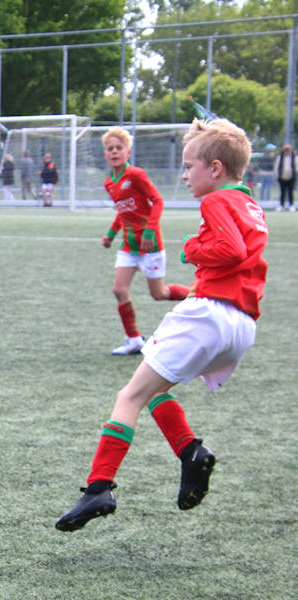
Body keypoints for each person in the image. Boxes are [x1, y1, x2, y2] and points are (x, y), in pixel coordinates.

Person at [55, 118, 268, 533]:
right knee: (154, 389)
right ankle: (190, 452)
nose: (184, 175)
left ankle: (99, 487)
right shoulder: (251, 205)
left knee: (129, 396)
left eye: (189, 166)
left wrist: (192, 247)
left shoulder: (216, 201)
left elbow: (229, 249)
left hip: (208, 314)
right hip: (242, 324)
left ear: (216, 168)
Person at [99, 127, 190, 356]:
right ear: (105, 154)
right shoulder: (109, 183)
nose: (114, 151)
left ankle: (197, 294)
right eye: (110, 148)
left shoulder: (136, 175)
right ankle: (134, 340)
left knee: (158, 294)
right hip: (129, 247)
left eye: (119, 148)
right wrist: (111, 234)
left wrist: (150, 231)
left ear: (128, 152)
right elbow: (122, 213)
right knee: (119, 289)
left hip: (150, 246)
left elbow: (157, 201)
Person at [273, 143, 295, 211]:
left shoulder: (294, 157)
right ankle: (281, 205)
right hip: (282, 177)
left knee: (290, 192)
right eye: (286, 150)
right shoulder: (280, 157)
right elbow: (276, 167)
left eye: (288, 150)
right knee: (282, 192)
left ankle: (291, 205)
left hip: (291, 177)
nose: (287, 151)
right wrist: (277, 175)